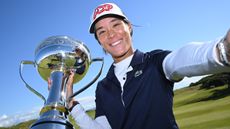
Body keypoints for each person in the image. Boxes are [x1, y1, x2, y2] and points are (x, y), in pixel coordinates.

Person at [64, 3, 230, 129]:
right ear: (99, 41)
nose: (111, 34)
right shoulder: (102, 87)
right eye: (102, 31)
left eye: (116, 25)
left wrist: (222, 50)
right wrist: (71, 103)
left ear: (128, 26)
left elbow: (180, 60)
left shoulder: (155, 62)